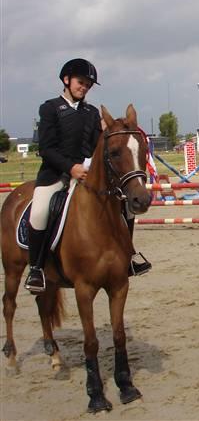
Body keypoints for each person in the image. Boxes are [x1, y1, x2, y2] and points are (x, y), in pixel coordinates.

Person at [24, 59, 150, 293]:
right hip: (55, 175)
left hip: (86, 176)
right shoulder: (50, 108)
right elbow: (47, 149)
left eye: (88, 85)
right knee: (40, 210)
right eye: (81, 82)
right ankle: (37, 268)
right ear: (66, 80)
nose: (84, 87)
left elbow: (96, 146)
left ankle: (129, 255)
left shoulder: (91, 113)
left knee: (127, 206)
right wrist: (70, 167)